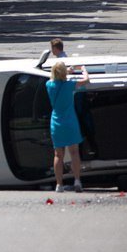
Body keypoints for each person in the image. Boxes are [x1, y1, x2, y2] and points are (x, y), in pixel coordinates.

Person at [46, 61, 89, 192]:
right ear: (63, 73)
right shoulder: (69, 85)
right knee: (74, 152)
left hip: (56, 123)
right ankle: (77, 181)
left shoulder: (49, 85)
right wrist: (83, 69)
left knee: (58, 155)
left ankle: (59, 184)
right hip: (70, 122)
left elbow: (54, 78)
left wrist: (66, 71)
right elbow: (86, 80)